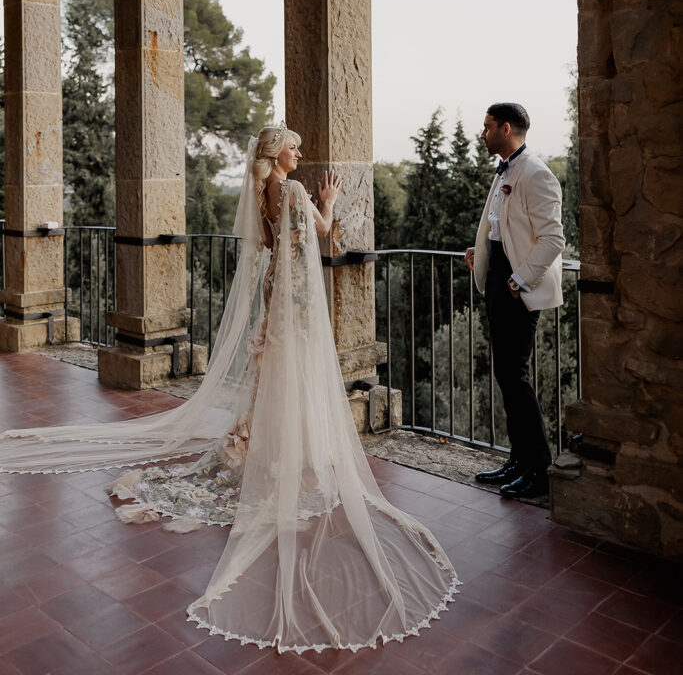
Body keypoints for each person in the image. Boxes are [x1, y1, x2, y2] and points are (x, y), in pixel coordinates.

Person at [0, 123, 459, 654]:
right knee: (294, 372)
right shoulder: (291, 190)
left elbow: (275, 244)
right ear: (277, 153)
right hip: (296, 299)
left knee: (273, 375)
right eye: (294, 144)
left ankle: (271, 443)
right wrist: (328, 201)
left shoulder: (265, 190)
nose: (301, 150)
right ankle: (292, 451)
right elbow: (325, 235)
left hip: (275, 292)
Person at [465, 103, 564, 499]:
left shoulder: (537, 173)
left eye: (487, 127)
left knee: (516, 375)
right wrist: (482, 256)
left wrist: (517, 280)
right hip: (497, 278)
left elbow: (554, 239)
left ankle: (539, 470)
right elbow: (499, 226)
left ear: (506, 128)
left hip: (516, 287)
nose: (482, 133)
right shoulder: (506, 169)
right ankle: (518, 460)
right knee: (506, 374)